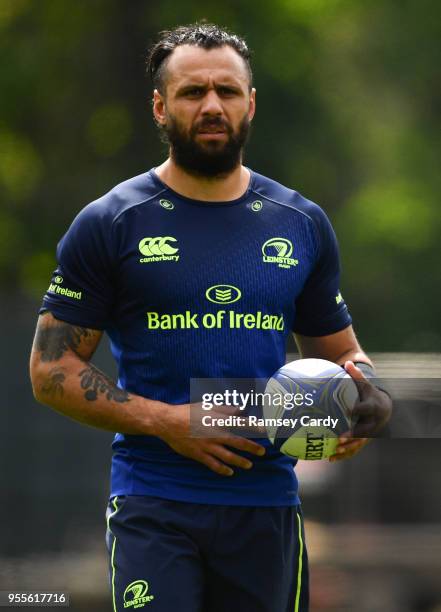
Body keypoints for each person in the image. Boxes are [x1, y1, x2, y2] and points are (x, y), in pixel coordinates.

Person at [29, 23, 392, 612]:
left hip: (268, 503)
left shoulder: (300, 222)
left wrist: (369, 397)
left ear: (251, 102)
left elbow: (343, 354)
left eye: (226, 90)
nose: (212, 105)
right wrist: (168, 420)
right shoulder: (112, 223)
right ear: (160, 106)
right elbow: (50, 372)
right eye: (192, 92)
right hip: (155, 502)